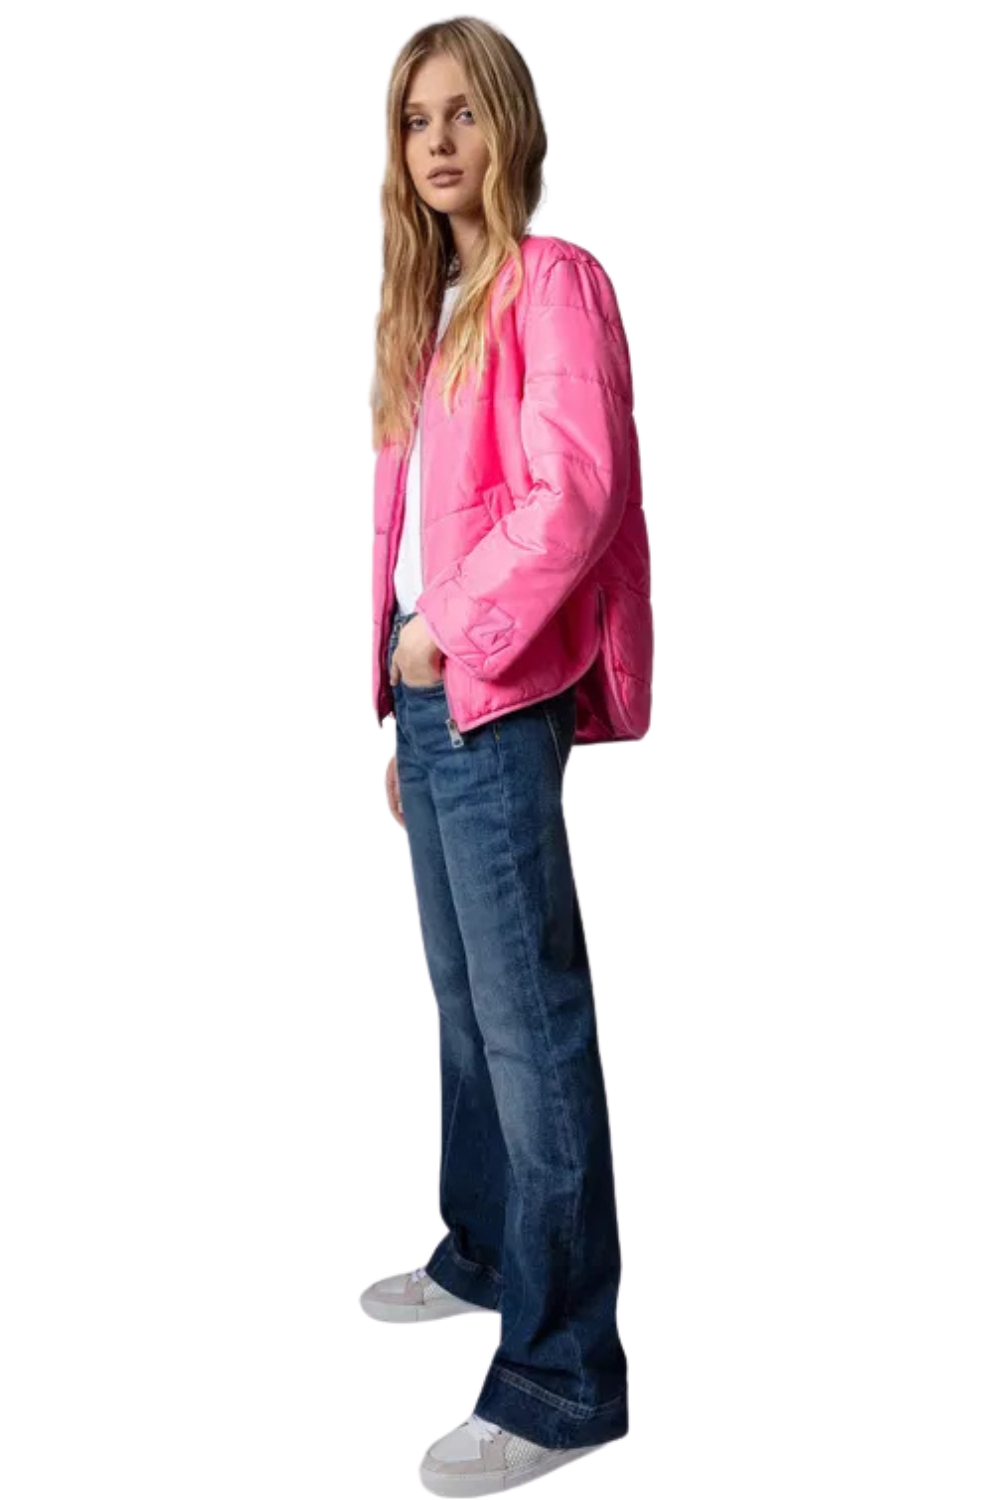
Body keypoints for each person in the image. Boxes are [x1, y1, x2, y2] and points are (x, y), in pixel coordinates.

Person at [361, 17, 653, 1494]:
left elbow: (572, 499)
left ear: (512, 127)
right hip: (435, 702)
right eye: (419, 119)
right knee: (470, 1012)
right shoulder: (433, 306)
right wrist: (401, 698)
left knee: (534, 1033)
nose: (441, 141)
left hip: (485, 684)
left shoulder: (555, 282)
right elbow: (428, 518)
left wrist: (444, 645)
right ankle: (483, 1249)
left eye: (465, 112)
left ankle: (562, 1378)